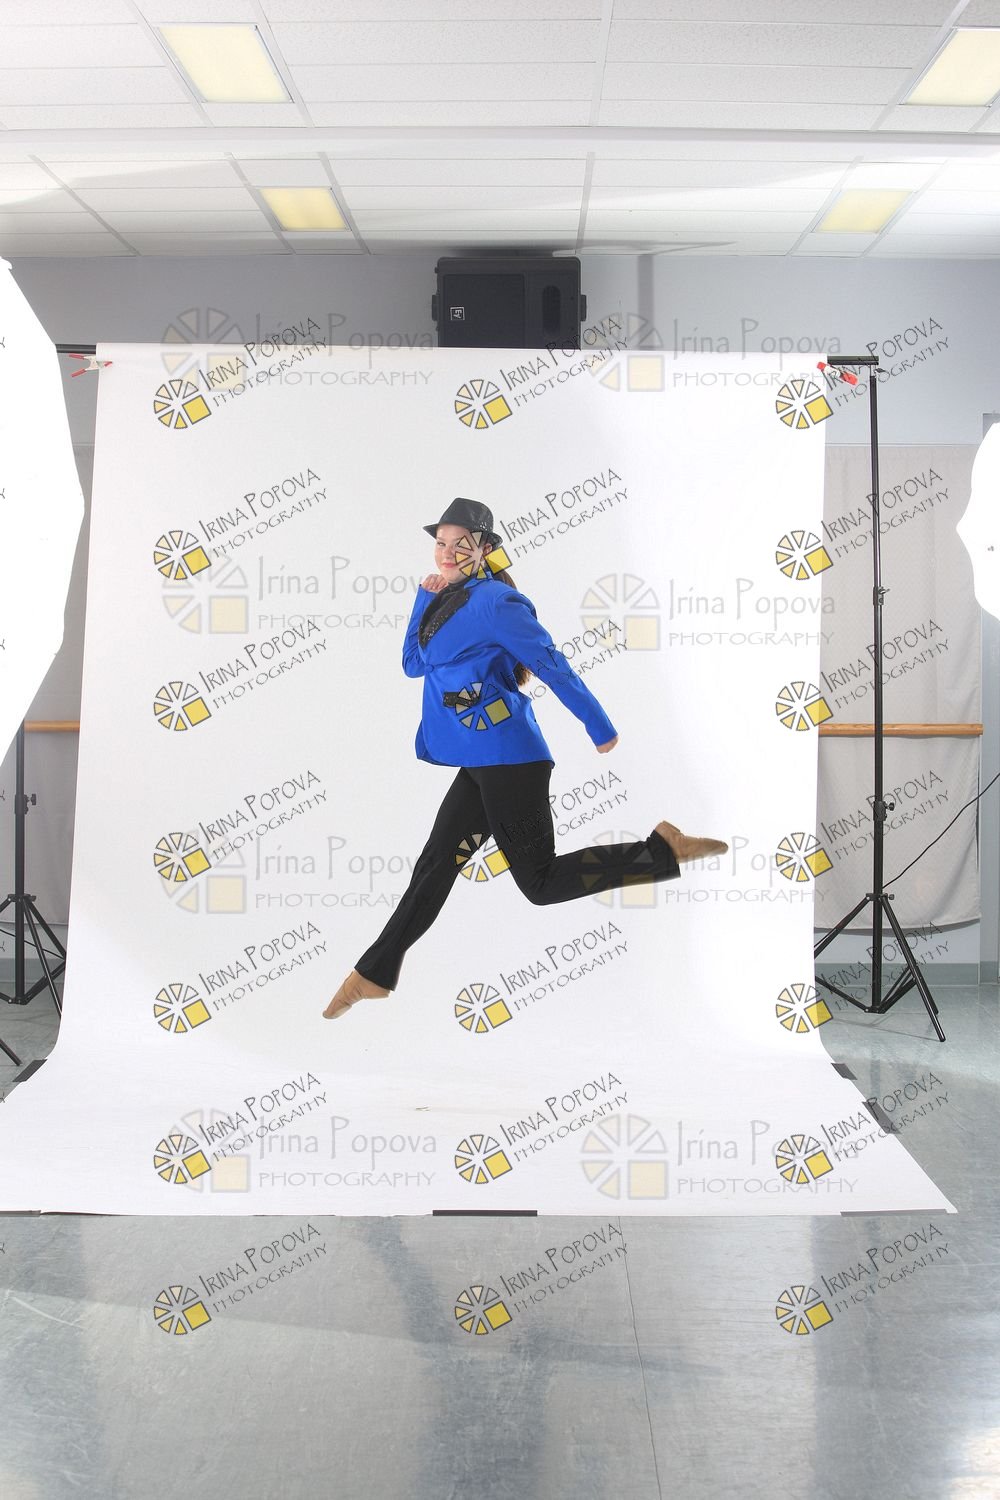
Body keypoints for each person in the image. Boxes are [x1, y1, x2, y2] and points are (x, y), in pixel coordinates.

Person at [324, 498, 727, 1019]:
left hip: (511, 761)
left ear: (484, 549)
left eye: (459, 544)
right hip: (480, 760)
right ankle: (373, 974)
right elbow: (412, 665)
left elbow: (551, 664)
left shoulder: (498, 602)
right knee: (435, 866)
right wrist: (423, 599)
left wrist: (597, 724)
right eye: (440, 543)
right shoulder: (447, 598)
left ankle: (662, 851)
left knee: (539, 883)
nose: (446, 553)